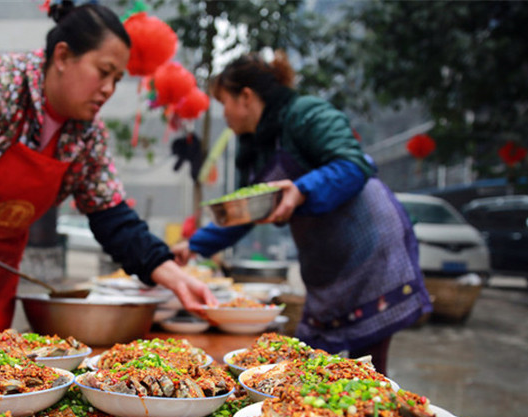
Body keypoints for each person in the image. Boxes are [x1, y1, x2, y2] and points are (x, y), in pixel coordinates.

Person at [0, 1, 217, 356]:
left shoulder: (86, 135)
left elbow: (111, 215)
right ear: (62, 57)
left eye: (117, 79)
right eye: (103, 71)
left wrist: (172, 274)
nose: (108, 89)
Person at [173, 52, 432, 374]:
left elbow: (352, 165)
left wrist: (302, 189)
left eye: (223, 101)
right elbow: (248, 210)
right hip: (329, 260)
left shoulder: (306, 113)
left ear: (246, 97)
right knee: (313, 364)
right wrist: (193, 246)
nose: (222, 112)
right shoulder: (255, 146)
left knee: (366, 368)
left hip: (370, 249)